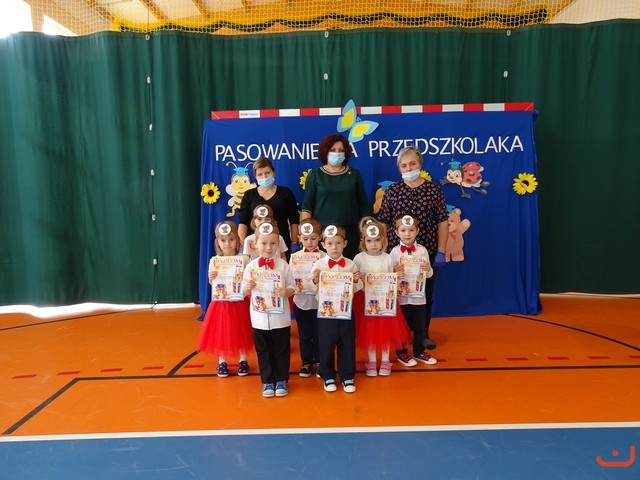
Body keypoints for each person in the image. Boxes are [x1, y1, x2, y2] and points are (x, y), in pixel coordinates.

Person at [378, 146, 449, 350]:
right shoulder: (392, 191)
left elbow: (442, 221)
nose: (408, 168)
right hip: (396, 254)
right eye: (404, 165)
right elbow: (384, 222)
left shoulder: (433, 190)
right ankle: (399, 335)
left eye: (412, 163)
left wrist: (441, 251)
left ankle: (422, 334)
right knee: (398, 295)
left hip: (425, 254)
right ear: (399, 168)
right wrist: (381, 252)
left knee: (424, 295)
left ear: (420, 164)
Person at [242, 222, 295, 398]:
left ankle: (281, 379)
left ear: (279, 244)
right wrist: (247, 287)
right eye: (264, 243)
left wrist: (286, 291)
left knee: (281, 349)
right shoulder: (251, 267)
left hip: (280, 318)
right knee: (263, 350)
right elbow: (243, 289)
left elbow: (293, 286)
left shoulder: (284, 265)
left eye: (273, 243)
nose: (268, 247)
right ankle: (267, 380)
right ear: (255, 243)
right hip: (259, 319)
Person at [353, 216, 411, 376]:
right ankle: (371, 362)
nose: (374, 244)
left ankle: (385, 361)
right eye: (369, 241)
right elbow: (354, 283)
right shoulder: (358, 258)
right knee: (369, 332)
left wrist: (397, 276)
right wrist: (359, 278)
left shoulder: (388, 258)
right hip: (365, 302)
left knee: (386, 331)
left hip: (385, 302)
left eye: (377, 240)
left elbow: (391, 280)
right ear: (363, 241)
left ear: (383, 240)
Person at [300, 134, 372, 259]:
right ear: (325, 152)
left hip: (350, 233)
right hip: (323, 233)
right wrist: (306, 234)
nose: (337, 153)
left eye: (341, 150)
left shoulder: (354, 174)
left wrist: (366, 230)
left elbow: (363, 204)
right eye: (333, 150)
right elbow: (307, 207)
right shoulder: (315, 175)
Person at [310, 225, 362, 393]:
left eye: (338, 243)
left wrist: (356, 281)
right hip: (326, 313)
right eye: (330, 243)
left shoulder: (351, 264)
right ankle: (328, 376)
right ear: (323, 244)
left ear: (345, 244)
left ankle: (347, 376)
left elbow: (358, 287)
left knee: (347, 342)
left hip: (346, 311)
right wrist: (315, 280)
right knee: (326, 343)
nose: (334, 247)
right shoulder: (319, 264)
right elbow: (311, 287)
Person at [197, 221, 253, 377]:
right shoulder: (214, 261)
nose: (227, 243)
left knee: (241, 330)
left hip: (240, 301)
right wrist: (211, 277)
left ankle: (243, 359)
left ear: (237, 241)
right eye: (223, 240)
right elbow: (212, 283)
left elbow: (250, 279)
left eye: (231, 239)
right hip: (221, 303)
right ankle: (222, 361)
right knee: (222, 331)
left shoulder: (244, 259)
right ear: (218, 243)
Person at [389, 214, 437, 367]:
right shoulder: (394, 252)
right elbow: (389, 276)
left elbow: (429, 275)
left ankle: (419, 351)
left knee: (420, 327)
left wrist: (428, 269)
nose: (407, 234)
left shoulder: (422, 251)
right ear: (397, 232)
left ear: (417, 231)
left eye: (411, 230)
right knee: (403, 327)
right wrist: (394, 272)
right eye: (403, 230)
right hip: (401, 299)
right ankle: (401, 352)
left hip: (418, 298)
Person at [238, 157, 299, 255]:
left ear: (273, 172)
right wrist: (243, 246)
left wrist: (294, 243)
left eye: (267, 173)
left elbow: (294, 220)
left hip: (281, 245)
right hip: (255, 247)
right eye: (260, 174)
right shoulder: (249, 195)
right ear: (255, 176)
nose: (264, 177)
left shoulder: (285, 193)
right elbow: (243, 222)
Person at [290, 218, 325, 378]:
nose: (309, 242)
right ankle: (306, 362)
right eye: (305, 238)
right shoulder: (294, 257)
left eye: (313, 238)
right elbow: (290, 278)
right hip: (301, 303)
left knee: (319, 335)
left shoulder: (325, 256)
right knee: (304, 335)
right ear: (299, 238)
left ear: (320, 237)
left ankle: (319, 361)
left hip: (319, 304)